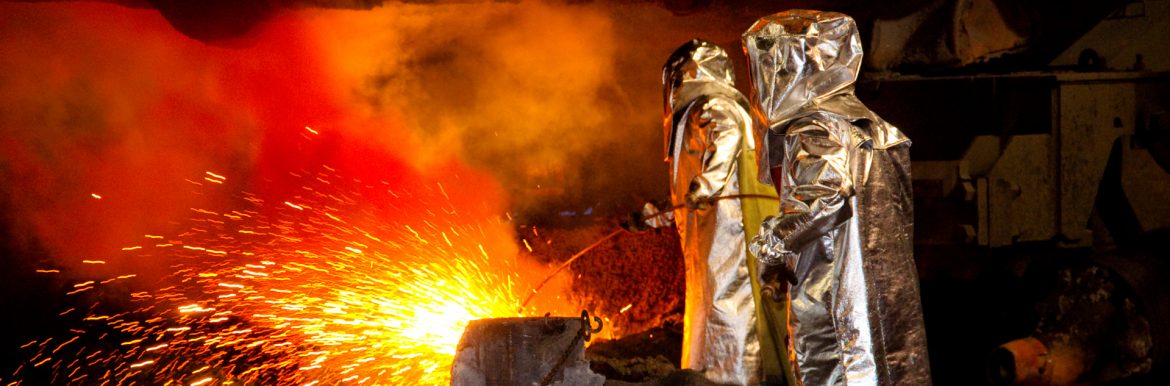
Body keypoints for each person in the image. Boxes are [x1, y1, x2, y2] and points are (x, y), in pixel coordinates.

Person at [742, 10, 933, 386]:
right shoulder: (871, 125)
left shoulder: (815, 126)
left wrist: (773, 243)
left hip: (835, 301)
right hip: (884, 299)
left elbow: (827, 196)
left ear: (786, 67)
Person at [661, 39, 790, 385]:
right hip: (713, 229)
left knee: (730, 302)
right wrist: (653, 215)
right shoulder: (704, 109)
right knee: (712, 302)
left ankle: (734, 377)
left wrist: (708, 185)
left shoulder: (714, 105)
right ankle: (709, 375)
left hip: (730, 229)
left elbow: (727, 136)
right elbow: (686, 190)